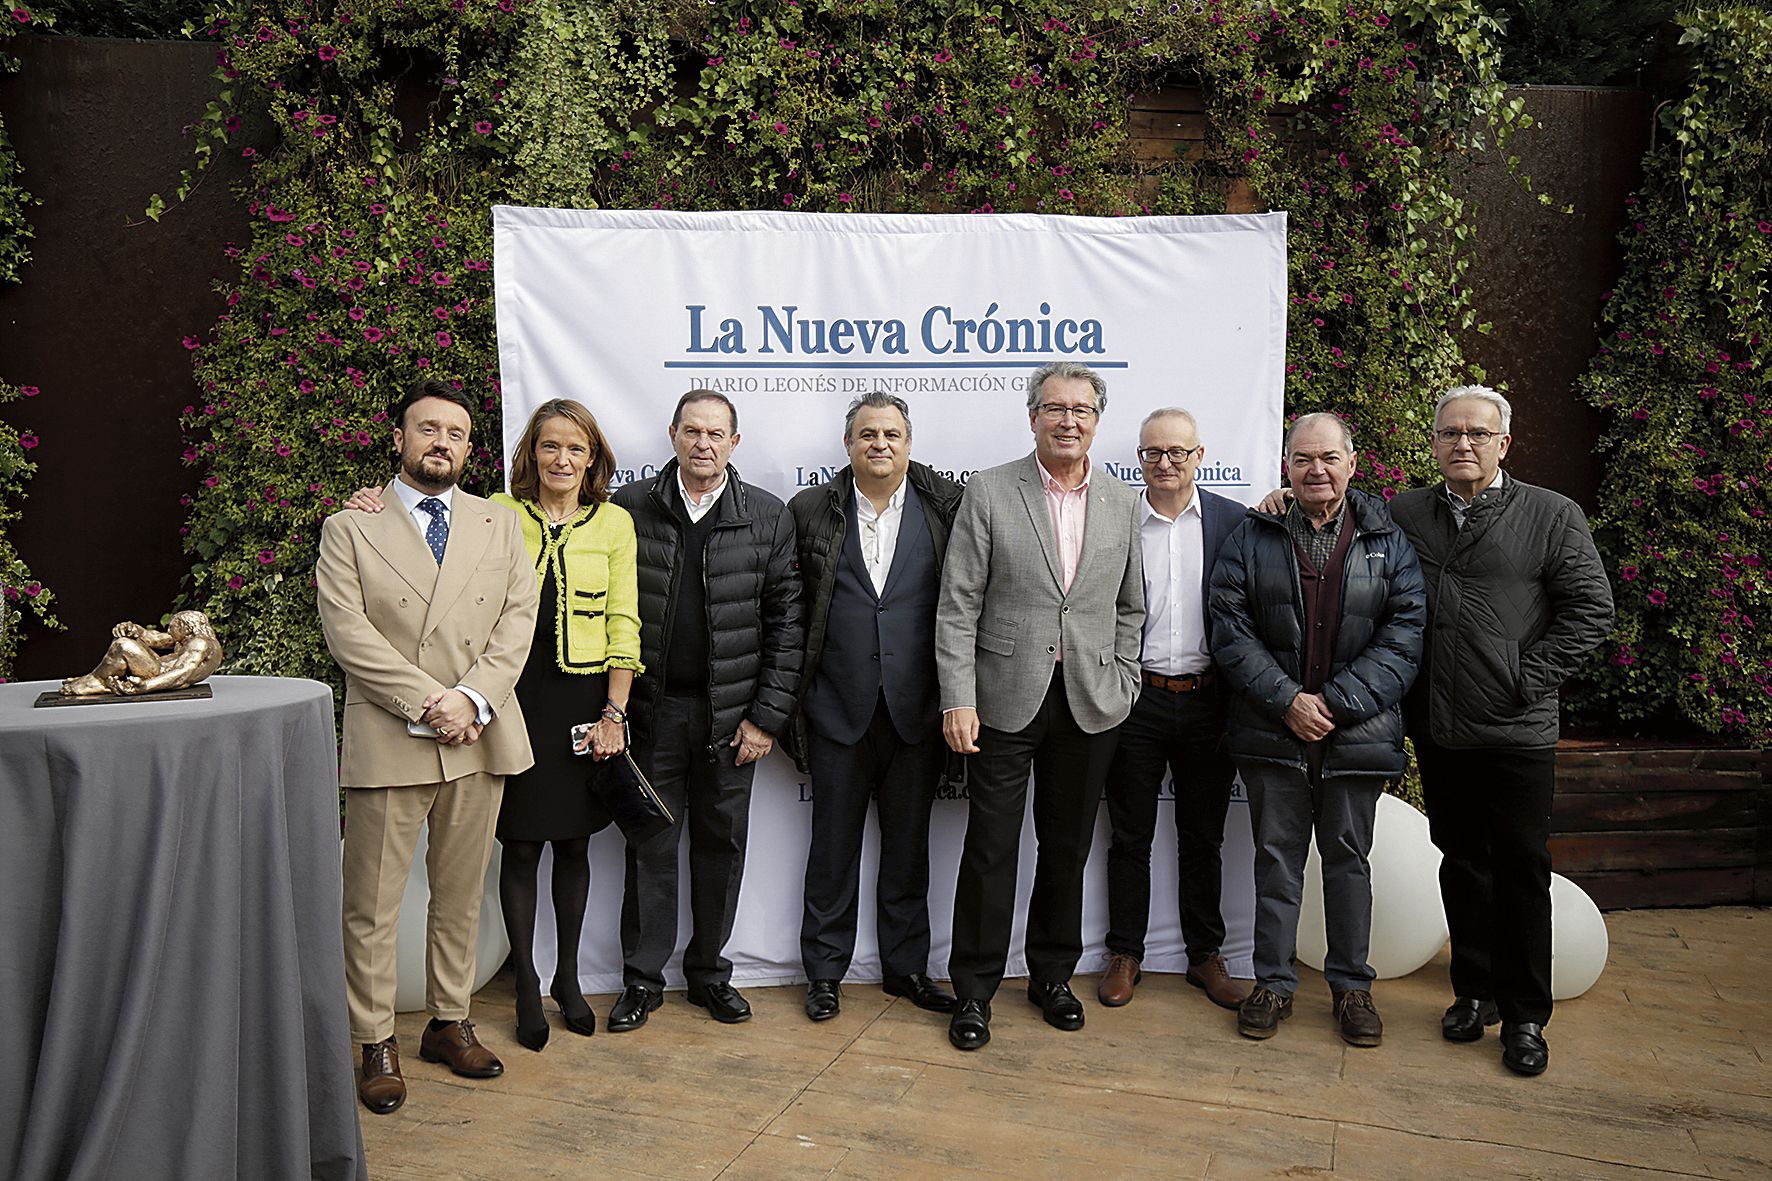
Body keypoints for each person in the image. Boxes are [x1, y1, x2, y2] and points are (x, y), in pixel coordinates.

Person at [343, 398, 644, 1053]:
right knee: (520, 845)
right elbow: (413, 543)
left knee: (565, 847)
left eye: (576, 448)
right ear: (530, 453)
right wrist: (372, 500)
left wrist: (614, 710)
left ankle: (560, 981)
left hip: (556, 698)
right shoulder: (495, 511)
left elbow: (618, 618)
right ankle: (518, 987)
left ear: (592, 458)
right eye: (549, 446)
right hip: (504, 702)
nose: (562, 459)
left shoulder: (610, 523)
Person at [317, 380, 539, 1115]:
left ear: (471, 448)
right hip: (393, 734)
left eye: (456, 432)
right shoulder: (350, 528)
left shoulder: (499, 524)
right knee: (372, 903)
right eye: (427, 428)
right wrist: (429, 702)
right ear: (399, 438)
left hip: (478, 733)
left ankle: (449, 1020)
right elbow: (348, 632)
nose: (442, 441)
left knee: (460, 893)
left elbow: (516, 621)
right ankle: (374, 1038)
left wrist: (470, 699)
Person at [1389, 386, 1613, 1076]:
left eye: (1478, 433)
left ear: (1504, 443)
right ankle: (1473, 990)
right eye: (1451, 432)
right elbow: (1336, 524)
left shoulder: (1551, 514)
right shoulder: (1405, 512)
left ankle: (1524, 1016)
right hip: (1441, 724)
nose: (1464, 443)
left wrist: (1523, 678)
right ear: (1432, 441)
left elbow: (1591, 610)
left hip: (1517, 729)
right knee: (1460, 859)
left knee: (1520, 867)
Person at [936, 360, 1144, 1051]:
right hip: (1001, 699)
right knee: (990, 849)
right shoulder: (992, 491)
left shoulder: (1122, 500)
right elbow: (958, 603)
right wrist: (957, 698)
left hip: (1090, 701)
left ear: (1096, 420)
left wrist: (1125, 678)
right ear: (1032, 417)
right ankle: (973, 990)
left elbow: (1130, 606)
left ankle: (1053, 975)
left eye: (1081, 410)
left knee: (1067, 847)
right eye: (1054, 408)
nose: (1068, 420)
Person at [1209, 412, 1424, 1048]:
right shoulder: (1254, 534)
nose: (1316, 470)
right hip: (1274, 731)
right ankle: (1273, 984)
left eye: (1328, 458)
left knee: (1349, 862)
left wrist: (1331, 702)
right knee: (1276, 863)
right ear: (1287, 467)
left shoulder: (1389, 538)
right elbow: (1229, 626)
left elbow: (1406, 633)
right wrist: (1286, 702)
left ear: (1352, 464)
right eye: (1302, 459)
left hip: (1355, 734)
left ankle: (1352, 987)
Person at [606, 390, 804, 1030]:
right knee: (651, 848)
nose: (703, 443)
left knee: (722, 849)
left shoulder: (767, 518)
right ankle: (641, 982)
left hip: (732, 721)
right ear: (672, 434)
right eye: (692, 431)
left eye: (716, 434)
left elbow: (788, 628)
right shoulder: (628, 510)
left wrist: (765, 718)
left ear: (734, 443)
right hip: (653, 714)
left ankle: (710, 975)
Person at [786, 392, 962, 1022]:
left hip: (918, 712)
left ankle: (907, 969)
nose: (879, 444)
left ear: (909, 444)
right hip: (836, 710)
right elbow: (790, 611)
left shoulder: (947, 507)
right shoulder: (811, 511)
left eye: (891, 434)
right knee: (831, 850)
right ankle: (825, 973)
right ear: (849, 445)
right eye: (867, 434)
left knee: (909, 848)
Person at [1097, 408, 1247, 1012]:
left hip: (1209, 700)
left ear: (1199, 455)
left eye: (1177, 452)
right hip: (1135, 699)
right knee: (1128, 836)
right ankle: (1124, 952)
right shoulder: (1118, 522)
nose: (1165, 463)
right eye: (1153, 453)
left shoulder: (1234, 522)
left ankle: (1204, 955)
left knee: (1202, 838)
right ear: (1139, 458)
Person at [60, 610, 223, 696]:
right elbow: (155, 639)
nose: (168, 629)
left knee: (122, 645)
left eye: (172, 626)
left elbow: (183, 672)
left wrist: (146, 686)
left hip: (159, 675)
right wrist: (134, 629)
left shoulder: (200, 643)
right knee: (126, 640)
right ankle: (96, 678)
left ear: (186, 627)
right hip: (159, 669)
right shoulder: (189, 639)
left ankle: (96, 681)